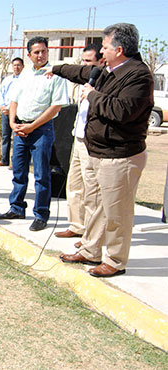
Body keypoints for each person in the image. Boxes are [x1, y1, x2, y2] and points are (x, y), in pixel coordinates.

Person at [51, 24, 153, 277]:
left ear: (119, 49)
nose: (102, 52)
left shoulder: (138, 75)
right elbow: (82, 72)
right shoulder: (108, 71)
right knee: (95, 204)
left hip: (120, 155)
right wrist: (56, 69)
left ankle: (115, 261)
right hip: (97, 150)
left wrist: (93, 96)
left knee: (117, 212)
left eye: (105, 48)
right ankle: (89, 249)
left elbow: (123, 111)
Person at [0, 37, 69, 232]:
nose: (40, 55)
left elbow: (55, 107)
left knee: (41, 175)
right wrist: (12, 123)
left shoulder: (55, 75)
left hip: (41, 131)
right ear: (29, 55)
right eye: (36, 52)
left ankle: (41, 214)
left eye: (44, 51)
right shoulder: (25, 75)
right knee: (18, 172)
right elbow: (14, 101)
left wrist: (33, 126)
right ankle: (17, 207)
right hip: (20, 129)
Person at [53, 44, 104, 241]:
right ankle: (76, 225)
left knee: (92, 191)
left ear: (101, 62)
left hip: (93, 142)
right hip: (78, 135)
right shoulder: (86, 81)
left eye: (89, 62)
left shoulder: (105, 83)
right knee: (74, 184)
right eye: (83, 62)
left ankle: (91, 235)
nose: (85, 67)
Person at [0, 57, 24, 167]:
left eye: (19, 65)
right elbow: (1, 94)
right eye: (14, 65)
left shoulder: (25, 80)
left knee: (17, 137)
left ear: (23, 66)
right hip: (6, 111)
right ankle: (4, 159)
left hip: (18, 112)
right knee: (5, 136)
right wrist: (2, 107)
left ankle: (14, 161)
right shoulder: (7, 80)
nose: (16, 67)